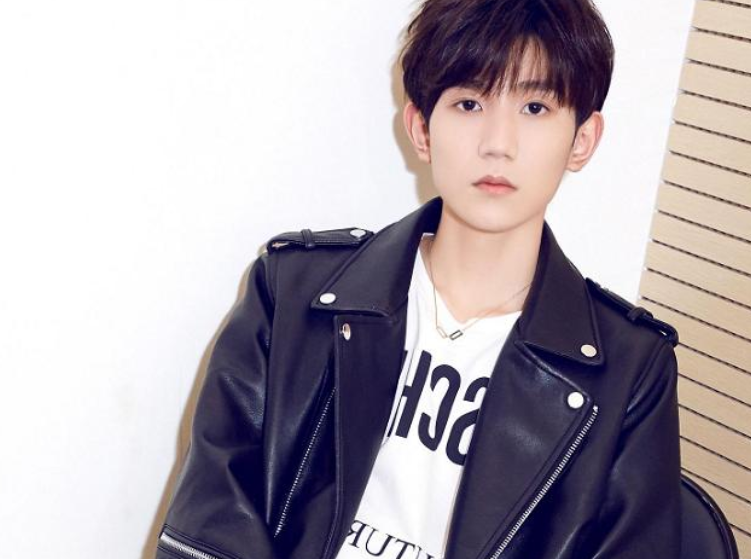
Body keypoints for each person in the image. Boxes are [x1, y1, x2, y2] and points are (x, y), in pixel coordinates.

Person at [154, 0, 682, 558]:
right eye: (469, 103)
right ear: (421, 129)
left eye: (534, 107)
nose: (498, 143)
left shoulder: (627, 370)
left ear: (582, 139)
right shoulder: (293, 293)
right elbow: (210, 522)